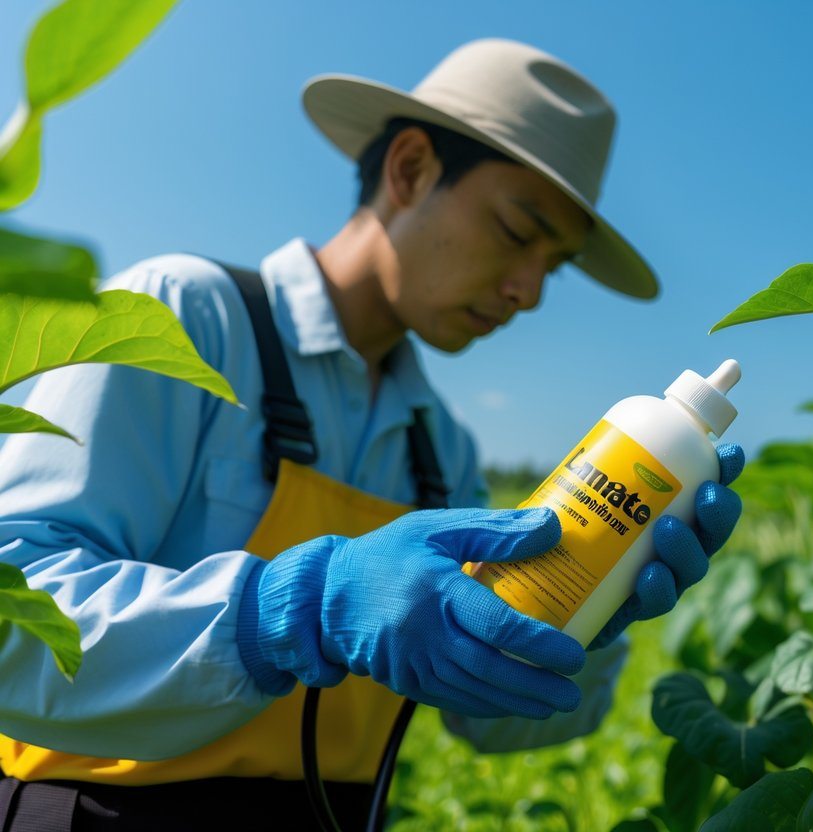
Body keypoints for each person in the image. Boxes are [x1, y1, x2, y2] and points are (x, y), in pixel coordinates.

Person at [0, 38, 743, 830]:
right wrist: (288, 610)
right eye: (517, 231)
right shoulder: (184, 318)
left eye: (553, 266)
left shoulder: (440, 448)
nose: (527, 291)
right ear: (411, 168)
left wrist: (581, 625)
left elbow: (490, 724)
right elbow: (14, 622)